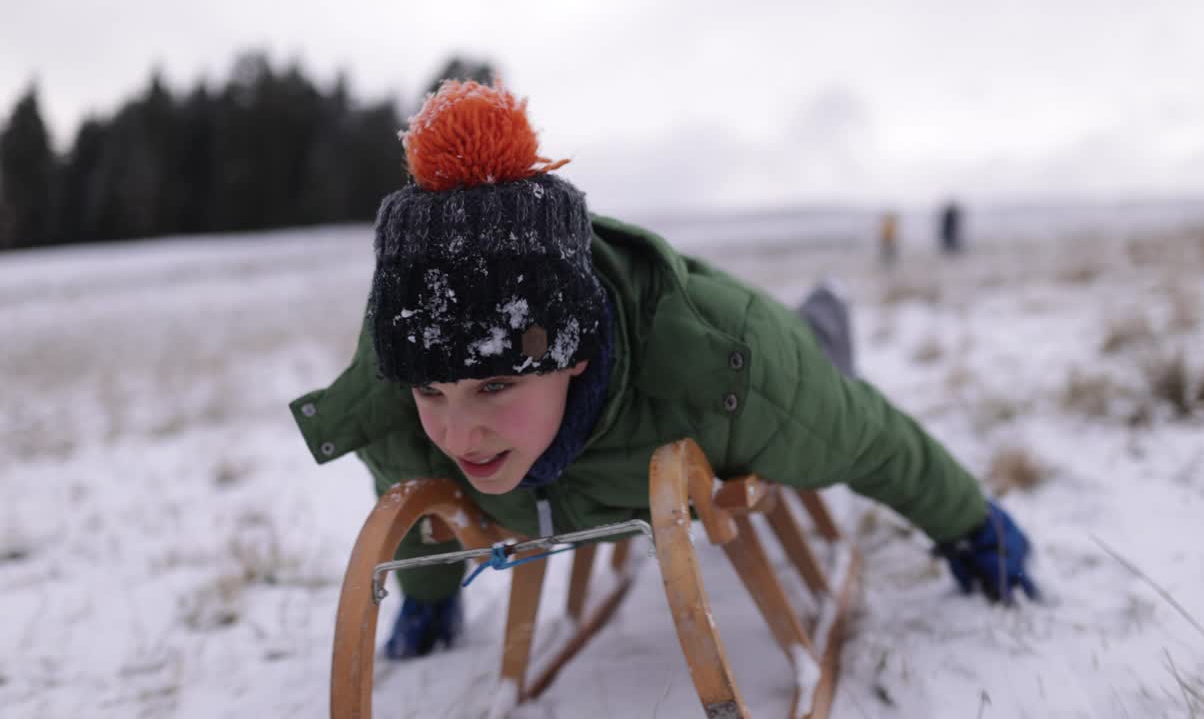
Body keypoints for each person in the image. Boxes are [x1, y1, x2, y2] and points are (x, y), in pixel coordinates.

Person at [290, 81, 1037, 660]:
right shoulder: (394, 409)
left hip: (751, 338)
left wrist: (968, 525)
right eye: (432, 390)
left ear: (575, 353)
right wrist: (427, 591)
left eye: (493, 385)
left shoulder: (730, 379)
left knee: (817, 351)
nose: (458, 430)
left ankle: (827, 307)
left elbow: (867, 436)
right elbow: (414, 500)